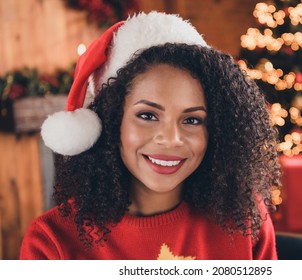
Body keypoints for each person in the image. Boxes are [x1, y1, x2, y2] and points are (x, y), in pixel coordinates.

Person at [19, 11, 281, 260]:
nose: (170, 139)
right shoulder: (52, 242)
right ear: (112, 121)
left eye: (192, 120)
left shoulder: (245, 217)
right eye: (147, 115)